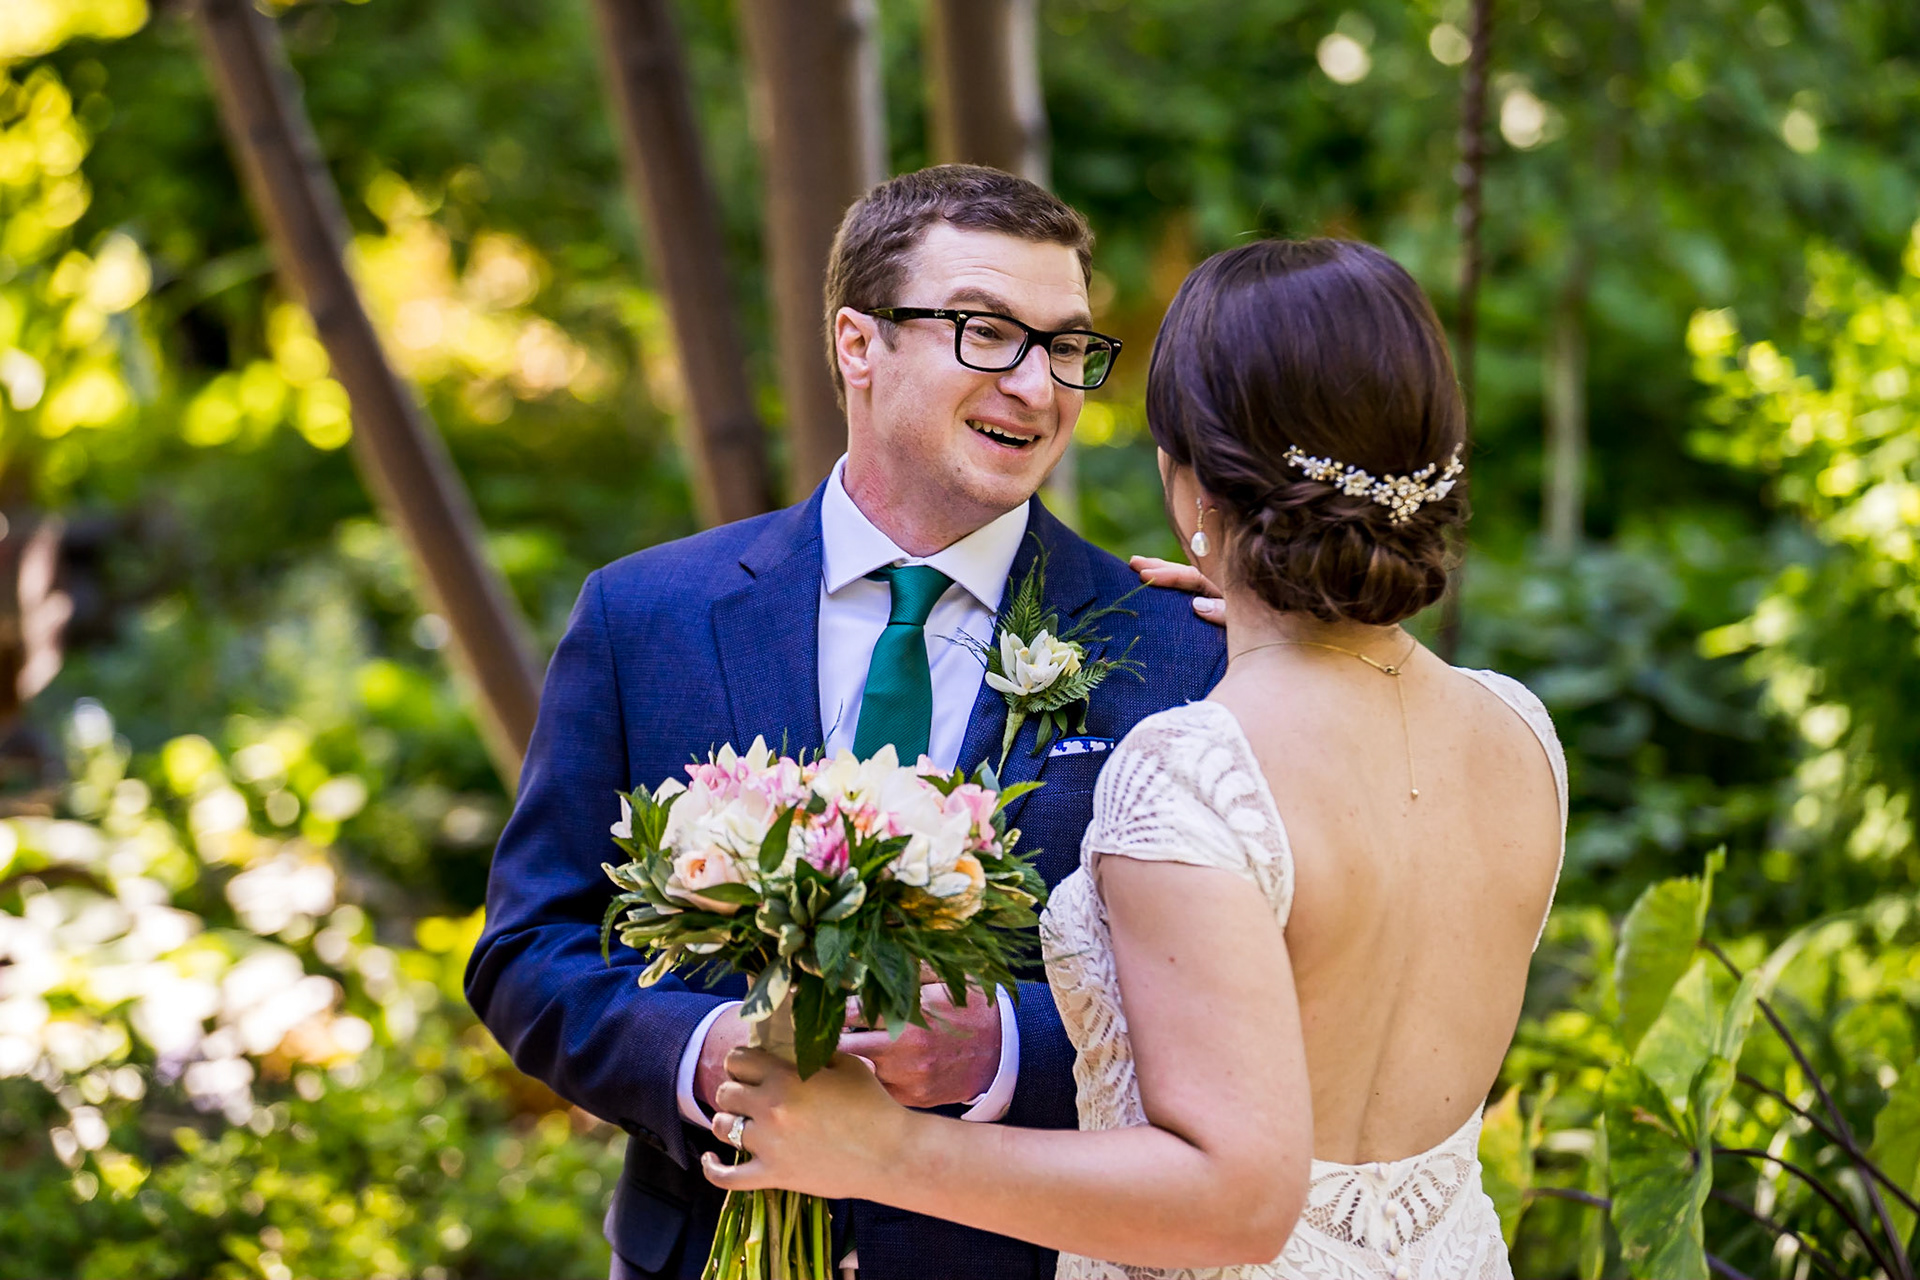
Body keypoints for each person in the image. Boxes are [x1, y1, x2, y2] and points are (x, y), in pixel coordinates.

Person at [701, 238, 1568, 1280]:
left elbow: (1234, 1202)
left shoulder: (1196, 763)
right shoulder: (1518, 732)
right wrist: (1261, 627)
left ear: (1190, 485)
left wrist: (885, 1150)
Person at [463, 164, 1225, 1280]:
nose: (1038, 386)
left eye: (1064, 346)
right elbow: (529, 947)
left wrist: (1006, 1044)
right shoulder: (645, 616)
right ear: (858, 344)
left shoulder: (1176, 649)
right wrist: (699, 1054)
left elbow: (1246, 1016)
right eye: (985, 332)